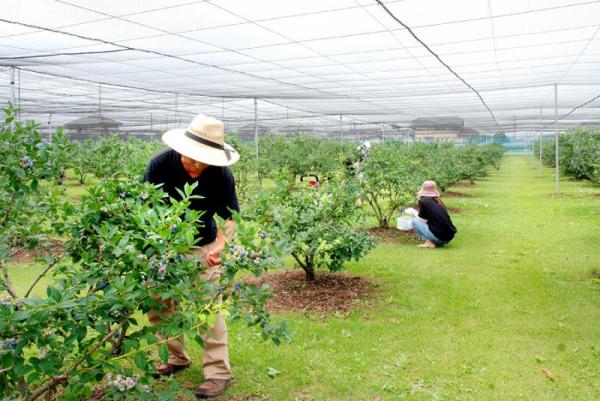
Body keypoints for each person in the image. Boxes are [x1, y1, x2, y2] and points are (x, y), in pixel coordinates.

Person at [143, 113, 239, 398]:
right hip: (163, 248)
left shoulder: (221, 173)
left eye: (202, 159)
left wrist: (221, 245)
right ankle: (175, 358)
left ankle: (218, 373)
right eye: (191, 157)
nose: (195, 164)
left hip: (203, 246)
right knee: (160, 306)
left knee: (209, 308)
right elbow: (142, 208)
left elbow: (230, 218)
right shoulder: (159, 165)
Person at [411, 180, 457, 249]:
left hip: (439, 238)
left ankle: (429, 243)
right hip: (448, 237)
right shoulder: (437, 200)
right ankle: (434, 241)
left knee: (414, 221)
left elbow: (422, 220)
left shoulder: (424, 201)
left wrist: (412, 212)